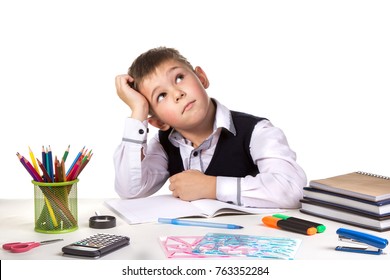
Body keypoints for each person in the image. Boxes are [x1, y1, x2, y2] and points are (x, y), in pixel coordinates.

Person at [113, 46, 307, 208]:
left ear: (202, 78)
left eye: (179, 78)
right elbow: (130, 191)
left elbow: (292, 189)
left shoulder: (257, 132)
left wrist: (212, 187)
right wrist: (138, 112)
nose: (177, 93)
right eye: (161, 96)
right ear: (159, 122)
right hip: (189, 242)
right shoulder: (164, 144)